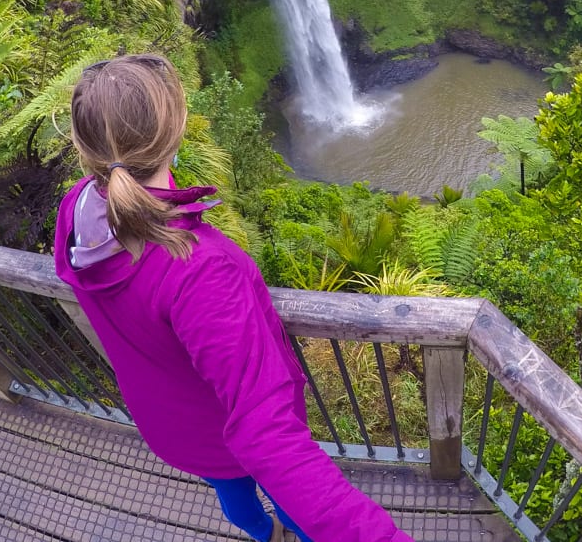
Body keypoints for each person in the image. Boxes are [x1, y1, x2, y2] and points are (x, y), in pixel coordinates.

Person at [54, 54, 414, 542]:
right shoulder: (199, 268)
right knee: (290, 502)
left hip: (170, 421)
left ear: (84, 147)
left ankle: (262, 535)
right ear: (176, 134)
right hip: (221, 422)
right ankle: (285, 531)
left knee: (234, 497)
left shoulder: (77, 213)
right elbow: (269, 437)